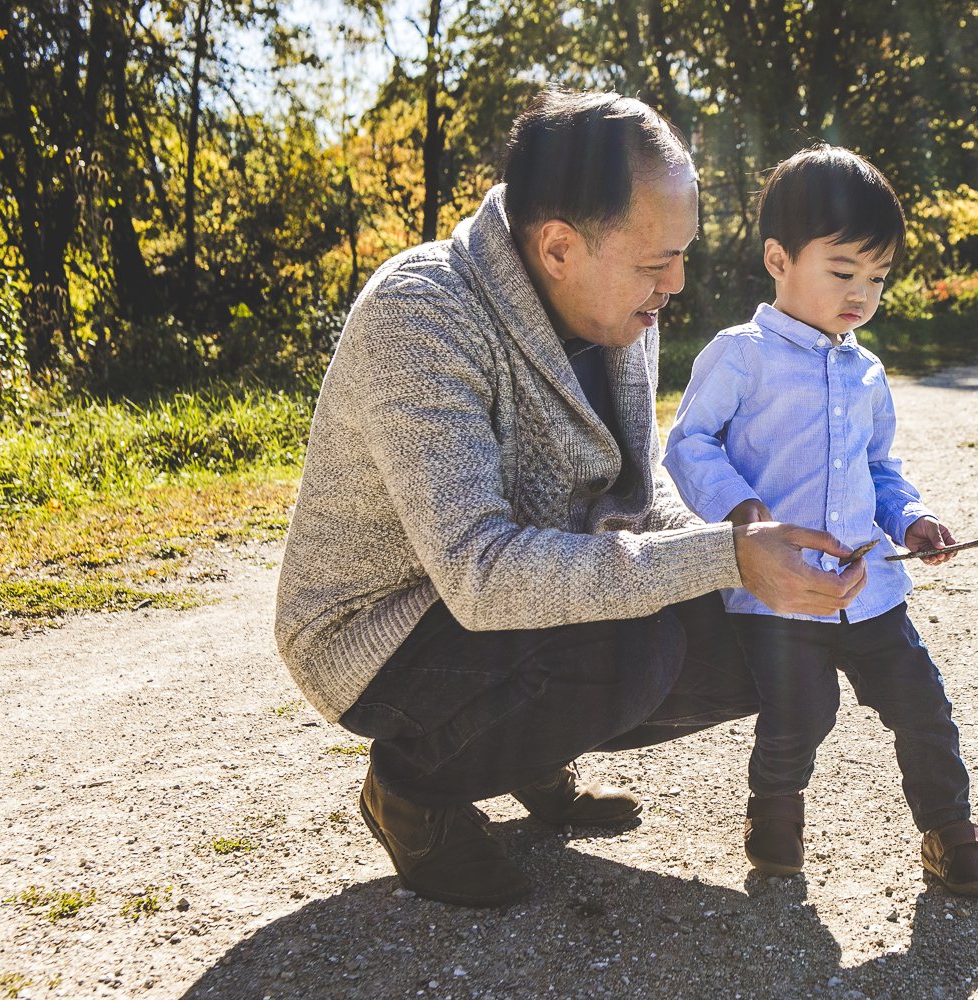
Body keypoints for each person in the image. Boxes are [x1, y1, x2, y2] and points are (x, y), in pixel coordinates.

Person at [273, 91, 868, 909]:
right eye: (658, 261)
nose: (678, 283)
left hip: (520, 608)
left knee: (766, 651)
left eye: (683, 255)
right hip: (381, 630)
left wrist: (740, 557)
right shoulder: (421, 316)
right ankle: (411, 790)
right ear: (558, 247)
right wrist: (717, 557)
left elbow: (636, 479)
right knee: (630, 652)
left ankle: (522, 752)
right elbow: (481, 576)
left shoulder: (622, 304)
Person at [662, 145, 978, 896]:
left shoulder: (866, 369)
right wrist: (740, 511)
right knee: (799, 713)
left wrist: (911, 517)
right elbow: (688, 442)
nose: (862, 294)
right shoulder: (741, 356)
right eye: (844, 271)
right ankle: (774, 816)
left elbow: (880, 467)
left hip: (871, 584)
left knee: (922, 705)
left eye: (878, 278)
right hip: (781, 591)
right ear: (779, 259)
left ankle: (951, 833)